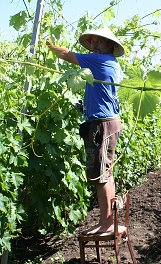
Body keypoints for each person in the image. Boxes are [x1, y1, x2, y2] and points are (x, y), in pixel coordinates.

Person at [46, 27, 124, 234]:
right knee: (106, 173)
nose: (95, 45)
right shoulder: (110, 64)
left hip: (102, 124)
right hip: (103, 121)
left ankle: (107, 224)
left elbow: (65, 54)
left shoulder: (98, 60)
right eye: (94, 41)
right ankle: (108, 221)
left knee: (101, 176)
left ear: (111, 46)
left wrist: (49, 45)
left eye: (101, 41)